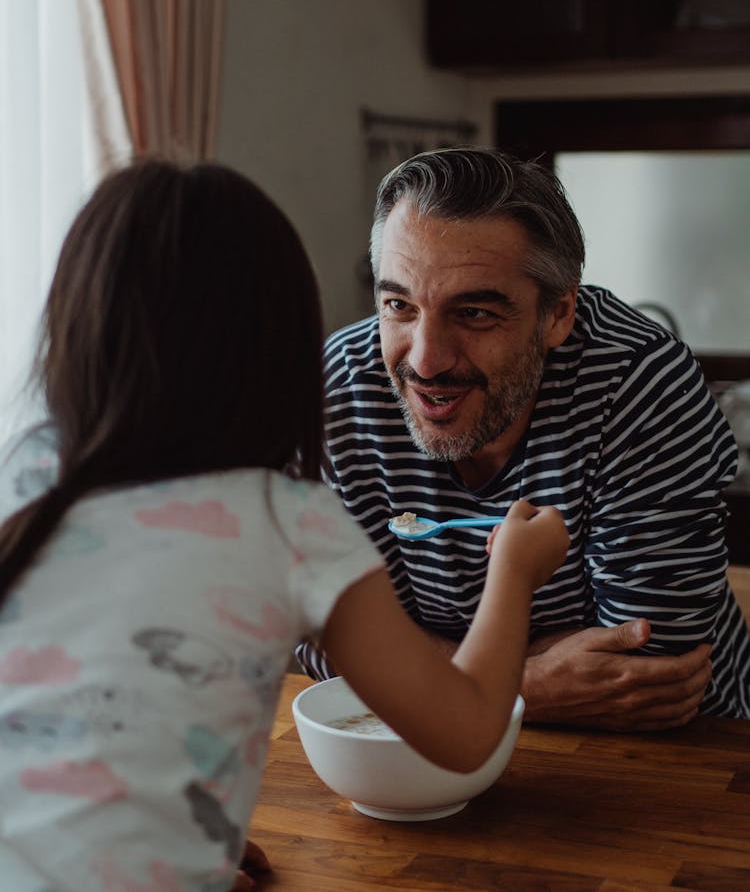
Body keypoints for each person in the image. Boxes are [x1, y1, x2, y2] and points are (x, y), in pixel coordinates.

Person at [0, 158, 568, 892]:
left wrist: (174, 836)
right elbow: (465, 733)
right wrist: (513, 571)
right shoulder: (286, 520)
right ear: (278, 340)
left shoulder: (27, 477)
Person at [296, 147, 750, 727]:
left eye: (476, 314)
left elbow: (651, 668)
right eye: (399, 305)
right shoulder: (341, 389)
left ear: (558, 313)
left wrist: (414, 667)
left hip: (676, 760)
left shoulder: (638, 382)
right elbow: (320, 638)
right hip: (422, 750)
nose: (426, 360)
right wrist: (533, 683)